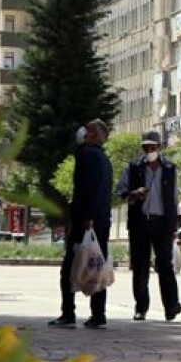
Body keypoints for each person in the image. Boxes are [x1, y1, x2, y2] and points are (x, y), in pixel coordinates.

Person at [49, 120, 113, 329]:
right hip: (102, 220)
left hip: (87, 220)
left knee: (69, 267)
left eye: (87, 129)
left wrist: (86, 218)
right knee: (97, 265)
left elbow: (89, 189)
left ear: (93, 135)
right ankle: (98, 314)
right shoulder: (104, 158)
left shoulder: (86, 154)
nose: (82, 131)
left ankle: (68, 313)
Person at [116, 130, 181, 321]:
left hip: (162, 223)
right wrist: (134, 193)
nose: (149, 150)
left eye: (153, 147)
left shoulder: (169, 168)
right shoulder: (134, 167)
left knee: (165, 266)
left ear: (159, 148)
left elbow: (174, 198)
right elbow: (121, 191)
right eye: (146, 148)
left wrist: (174, 226)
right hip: (140, 223)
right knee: (140, 267)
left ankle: (171, 306)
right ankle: (141, 307)